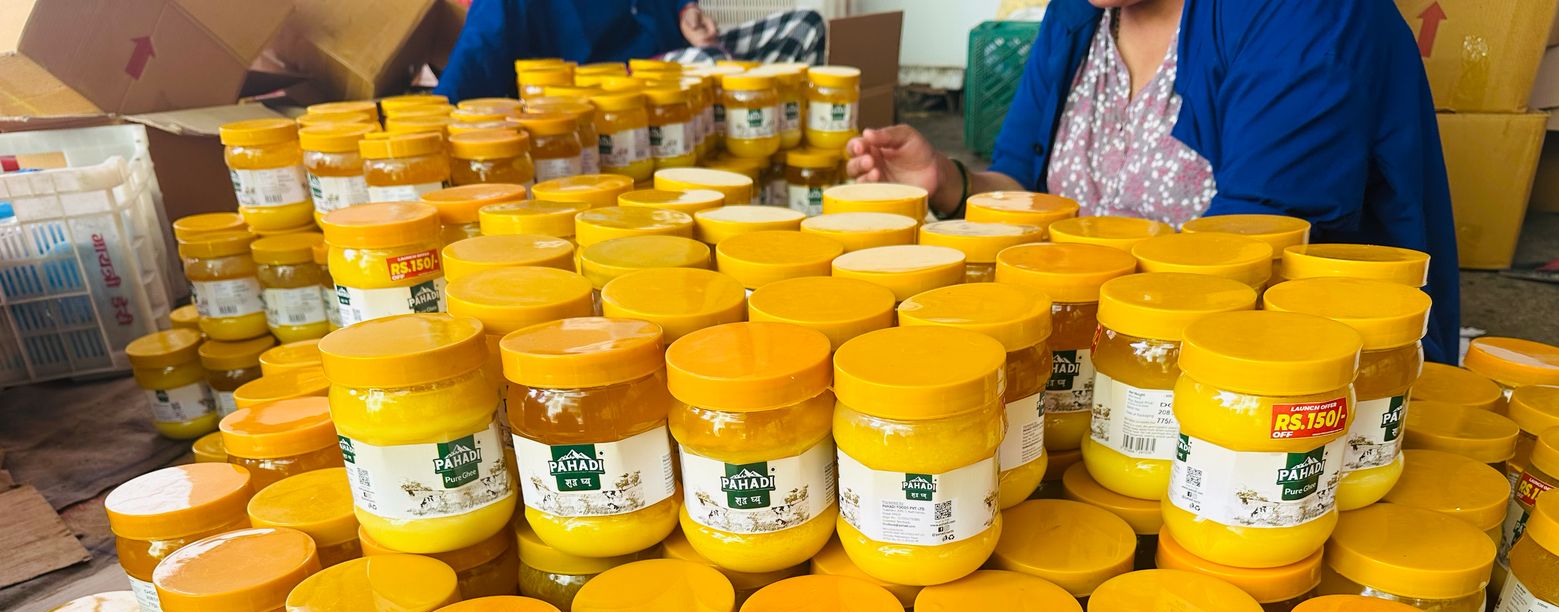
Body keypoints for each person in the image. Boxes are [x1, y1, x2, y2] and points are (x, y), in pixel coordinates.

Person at [846, 0, 1460, 362]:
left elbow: (1251, 253)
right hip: (1100, 354)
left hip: (1267, 379)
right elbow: (1028, 189)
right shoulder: (1080, 15)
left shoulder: (1303, 15)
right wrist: (953, 184)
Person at [437, 1, 826, 102]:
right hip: (612, 94)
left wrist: (686, 11)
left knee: (805, 27)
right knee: (708, 65)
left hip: (678, 56)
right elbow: (477, 55)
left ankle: (776, 136)